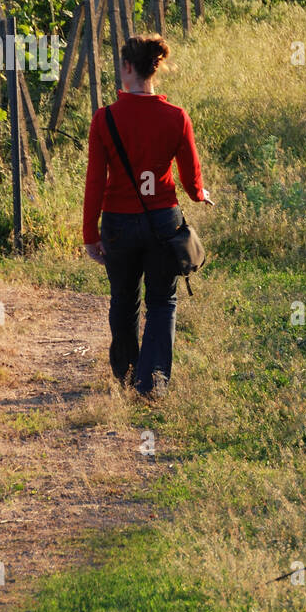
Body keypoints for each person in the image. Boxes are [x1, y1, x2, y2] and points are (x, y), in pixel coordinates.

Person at [81, 34, 213, 397]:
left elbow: (95, 181)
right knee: (161, 301)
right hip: (162, 224)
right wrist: (200, 195)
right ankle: (152, 382)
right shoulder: (175, 117)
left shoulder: (104, 118)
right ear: (154, 68)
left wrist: (89, 235)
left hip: (118, 224)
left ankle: (124, 376)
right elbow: (190, 178)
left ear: (127, 67)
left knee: (123, 299)